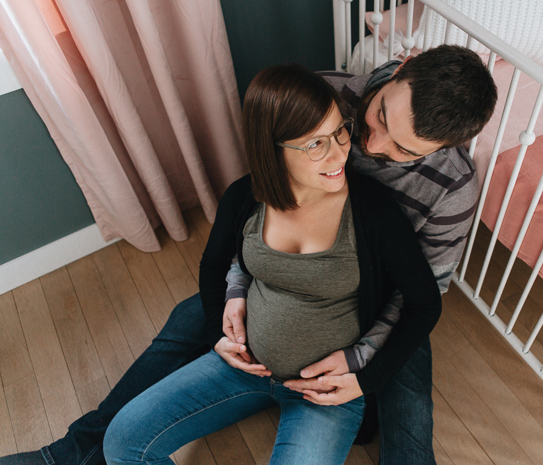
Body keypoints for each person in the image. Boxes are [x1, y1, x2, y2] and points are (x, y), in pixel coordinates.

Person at [0, 44, 496, 465]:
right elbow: (257, 212)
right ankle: (69, 454)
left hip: (376, 300)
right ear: (402, 66)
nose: (365, 145)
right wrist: (235, 296)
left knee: (408, 405)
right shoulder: (317, 97)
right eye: (378, 117)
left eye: (402, 151)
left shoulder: (452, 186)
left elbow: (423, 294)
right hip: (278, 278)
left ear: (445, 146)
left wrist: (364, 364)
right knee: (189, 322)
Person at [99, 63, 441, 465]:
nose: (339, 153)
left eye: (339, 132)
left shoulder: (373, 212)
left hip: (323, 394)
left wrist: (365, 378)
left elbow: (424, 303)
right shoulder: (245, 197)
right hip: (244, 368)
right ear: (272, 147)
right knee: (122, 441)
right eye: (315, 144)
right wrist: (218, 336)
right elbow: (212, 266)